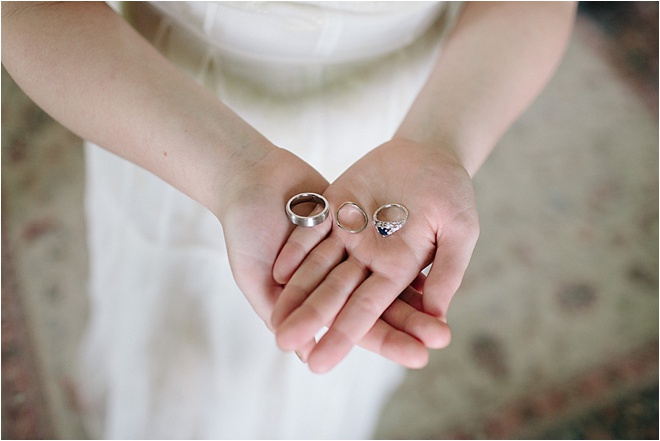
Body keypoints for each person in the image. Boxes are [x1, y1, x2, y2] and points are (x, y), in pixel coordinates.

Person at [2, 1, 576, 438]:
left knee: (348, 363)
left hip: (418, 105)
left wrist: (441, 142)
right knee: (178, 360)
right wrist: (232, 173)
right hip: (168, 119)